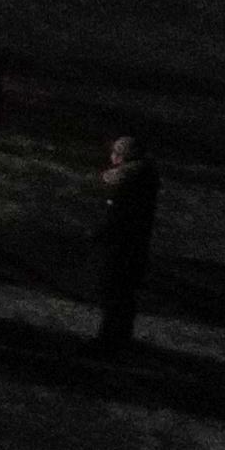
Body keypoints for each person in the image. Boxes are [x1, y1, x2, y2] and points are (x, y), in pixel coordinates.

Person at [89, 136, 158, 351]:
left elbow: (111, 184)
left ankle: (109, 340)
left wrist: (100, 233)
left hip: (122, 245)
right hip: (133, 244)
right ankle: (119, 337)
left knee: (115, 291)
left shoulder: (129, 176)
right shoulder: (146, 174)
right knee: (124, 293)